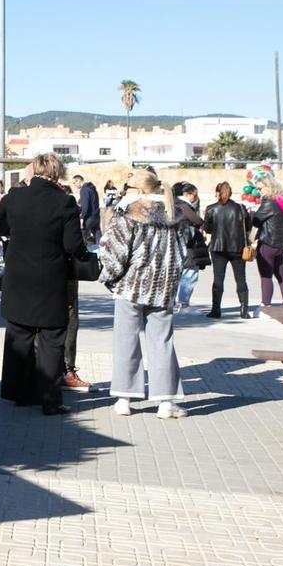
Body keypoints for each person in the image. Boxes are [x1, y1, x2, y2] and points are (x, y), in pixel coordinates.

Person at [0, 152, 93, 415]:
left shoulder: (16, 196)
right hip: (51, 280)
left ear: (35, 171)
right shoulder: (65, 202)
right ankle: (51, 401)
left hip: (18, 280)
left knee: (19, 335)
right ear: (56, 173)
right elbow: (73, 246)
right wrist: (87, 257)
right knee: (51, 339)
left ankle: (18, 393)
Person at [100, 173, 200, 420]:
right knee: (162, 342)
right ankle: (166, 402)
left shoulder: (128, 214)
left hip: (131, 287)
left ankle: (124, 398)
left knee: (126, 341)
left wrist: (109, 278)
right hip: (163, 288)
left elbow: (115, 252)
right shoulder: (174, 214)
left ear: (138, 190)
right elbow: (181, 254)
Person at [202, 181, 254, 319]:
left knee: (218, 280)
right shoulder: (241, 208)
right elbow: (248, 226)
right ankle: (244, 309)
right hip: (238, 247)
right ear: (230, 193)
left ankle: (216, 309)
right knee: (241, 279)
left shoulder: (211, 208)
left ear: (217, 193)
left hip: (218, 248)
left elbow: (207, 229)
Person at [249, 176, 283, 307]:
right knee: (281, 274)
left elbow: (256, 221)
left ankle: (265, 305)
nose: (258, 192)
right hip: (282, 244)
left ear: (268, 187)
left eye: (260, 188)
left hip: (268, 242)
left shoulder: (269, 201)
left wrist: (250, 212)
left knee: (266, 275)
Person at [171, 182, 209, 309]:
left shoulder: (172, 203)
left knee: (177, 272)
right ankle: (183, 301)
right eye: (195, 194)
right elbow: (197, 220)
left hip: (175, 244)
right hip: (187, 245)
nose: (196, 197)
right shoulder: (183, 205)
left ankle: (174, 300)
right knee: (190, 272)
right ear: (187, 194)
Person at [75, 173, 101, 245]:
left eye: (74, 182)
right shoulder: (92, 188)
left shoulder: (84, 190)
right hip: (96, 215)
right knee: (98, 237)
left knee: (82, 236)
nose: (74, 185)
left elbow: (85, 205)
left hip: (89, 217)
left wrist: (82, 217)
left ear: (79, 181)